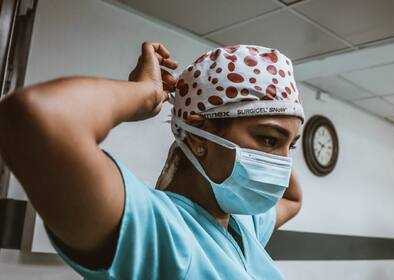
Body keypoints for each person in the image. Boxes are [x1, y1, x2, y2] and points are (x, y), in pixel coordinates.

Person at [0, 42, 304, 279]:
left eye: (291, 146)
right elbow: (34, 117)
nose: (283, 163)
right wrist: (144, 93)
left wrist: (280, 116)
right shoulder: (157, 231)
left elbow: (292, 198)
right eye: (269, 139)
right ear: (199, 138)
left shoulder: (242, 225)